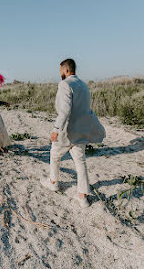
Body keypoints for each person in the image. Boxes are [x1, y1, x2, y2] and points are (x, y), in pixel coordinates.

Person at [41, 59, 106, 208]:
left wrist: (56, 129)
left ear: (65, 70)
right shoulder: (83, 85)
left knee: (54, 154)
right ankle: (82, 197)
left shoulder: (65, 84)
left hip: (67, 130)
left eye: (60, 71)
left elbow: (64, 111)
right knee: (80, 161)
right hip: (82, 130)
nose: (60, 74)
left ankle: (53, 182)